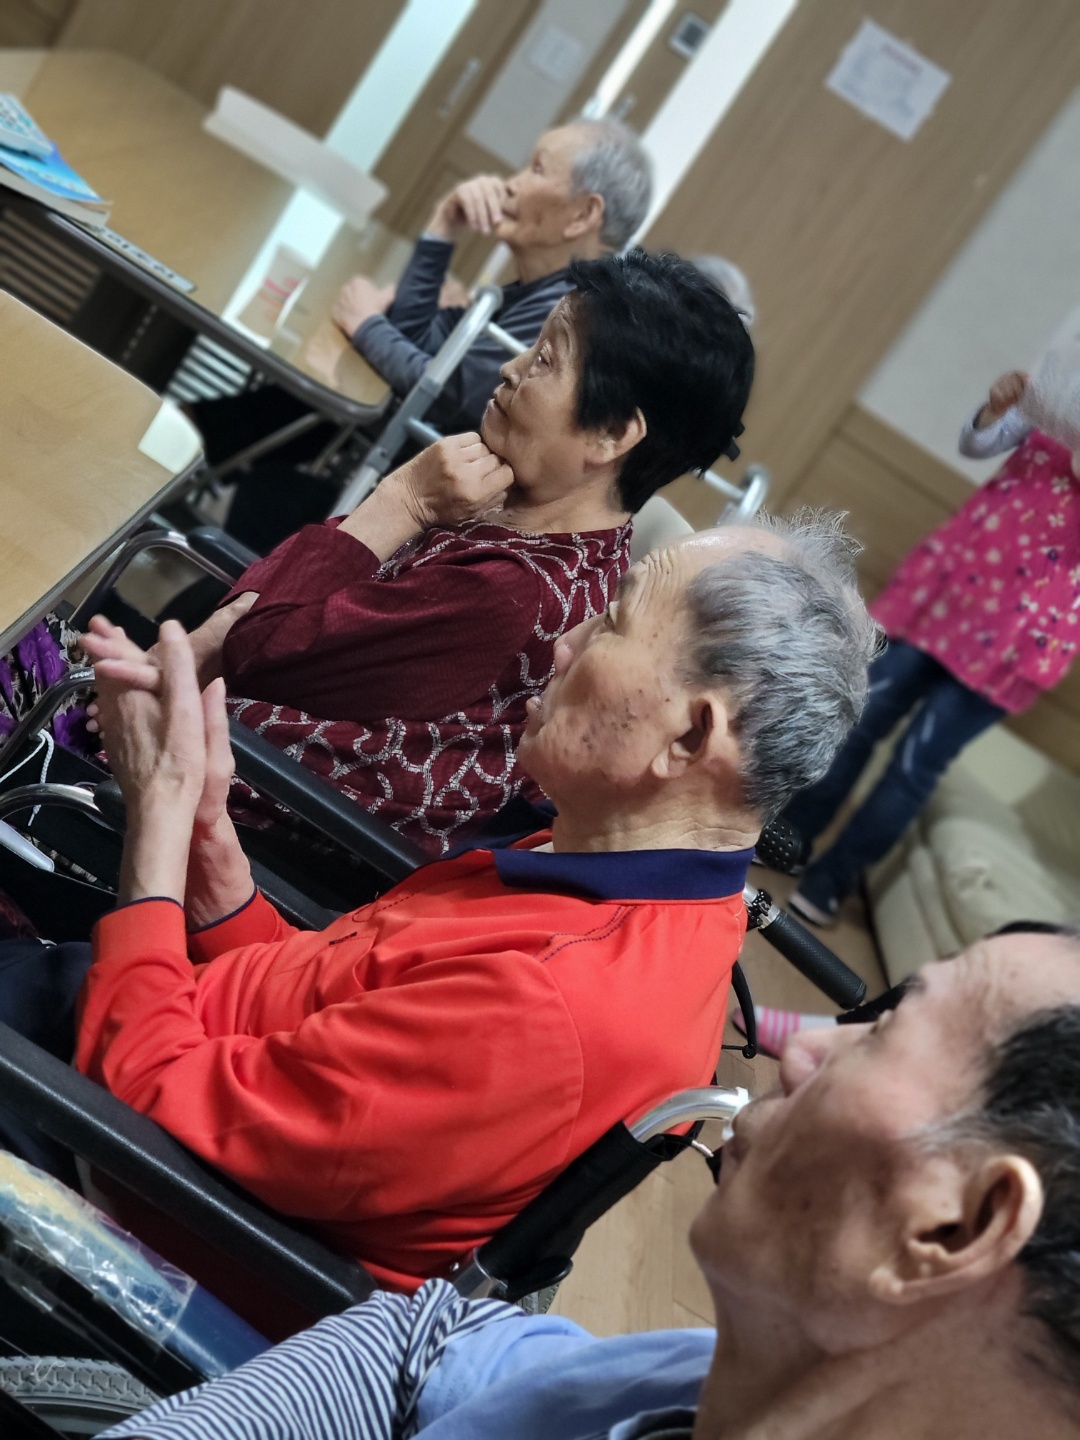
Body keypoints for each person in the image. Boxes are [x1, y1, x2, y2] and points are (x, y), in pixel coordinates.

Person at [8, 511, 875, 1295]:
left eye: (611, 622)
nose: (564, 643)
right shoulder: (605, 863)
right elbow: (326, 1005)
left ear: (689, 735)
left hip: (102, 1172)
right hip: (144, 1047)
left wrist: (158, 818)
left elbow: (151, 1100)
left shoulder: (553, 1006)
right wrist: (205, 841)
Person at [100, 926, 1080, 1440]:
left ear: (956, 1227)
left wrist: (154, 869)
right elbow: (424, 1342)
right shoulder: (694, 1375)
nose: (808, 1047)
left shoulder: (562, 995)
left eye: (889, 1026)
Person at [168, 251, 756, 859]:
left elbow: (256, 650)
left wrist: (401, 500)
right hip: (232, 747)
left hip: (236, 815)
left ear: (611, 435)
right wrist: (211, 639)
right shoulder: (577, 544)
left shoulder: (507, 591)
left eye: (545, 360)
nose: (510, 367)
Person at [191, 120, 652, 552]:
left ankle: (184, 455)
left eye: (536, 169)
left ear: (582, 214)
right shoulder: (536, 290)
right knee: (294, 410)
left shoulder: (566, 314)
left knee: (272, 482)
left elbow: (443, 393)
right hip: (405, 465)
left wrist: (366, 323)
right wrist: (443, 224)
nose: (511, 183)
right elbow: (420, 339)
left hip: (427, 515)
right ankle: (185, 444)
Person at [785, 367, 1080, 927]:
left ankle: (829, 884)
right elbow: (978, 443)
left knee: (915, 764)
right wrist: (996, 409)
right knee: (859, 717)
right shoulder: (1067, 388)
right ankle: (791, 837)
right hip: (955, 589)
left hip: (1023, 637)